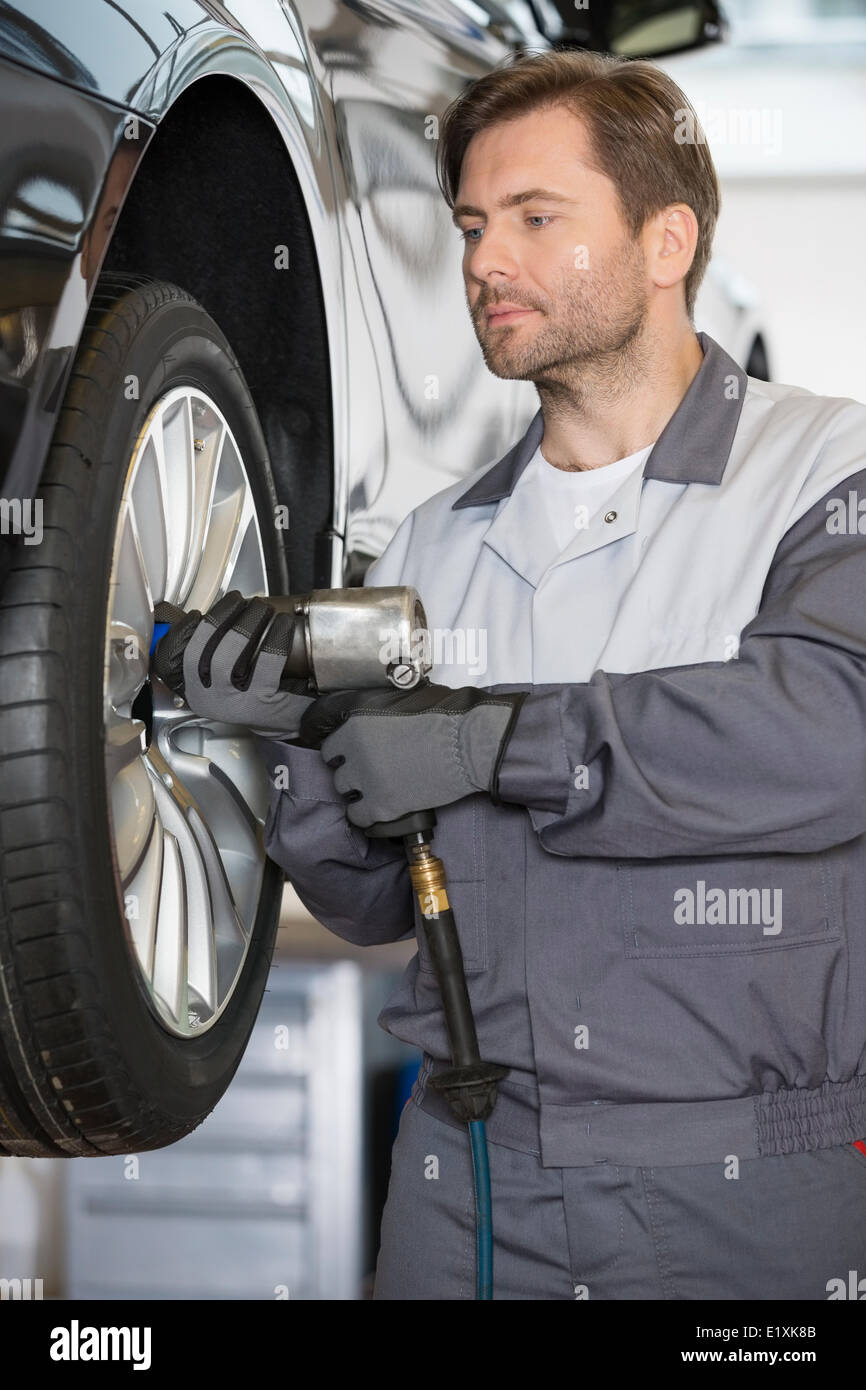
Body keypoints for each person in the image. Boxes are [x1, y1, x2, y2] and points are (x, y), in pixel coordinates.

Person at [159, 50, 866, 1299]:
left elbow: (827, 732)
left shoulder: (820, 468)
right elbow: (382, 900)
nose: (484, 260)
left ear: (666, 240)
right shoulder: (431, 546)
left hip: (744, 1185)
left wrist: (490, 739)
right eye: (474, 225)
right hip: (463, 1175)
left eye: (537, 218)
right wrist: (285, 743)